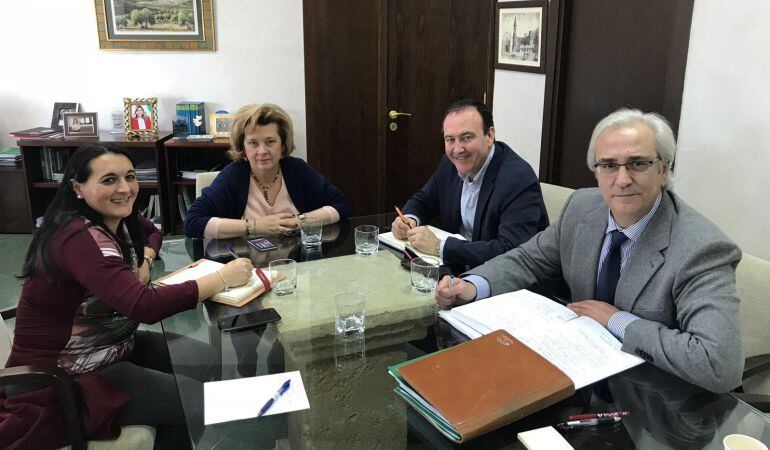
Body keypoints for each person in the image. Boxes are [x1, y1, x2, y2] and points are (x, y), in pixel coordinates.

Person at [436, 108, 744, 393]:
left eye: (638, 163)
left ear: (663, 170)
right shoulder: (582, 207)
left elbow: (719, 364)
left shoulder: (701, 248)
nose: (622, 179)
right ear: (595, 171)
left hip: (657, 403)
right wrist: (473, 285)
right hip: (577, 374)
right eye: (608, 165)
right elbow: (528, 259)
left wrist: (617, 321)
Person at [0, 144, 254, 449]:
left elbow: (153, 231)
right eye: (109, 180)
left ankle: (172, 424)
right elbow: (143, 306)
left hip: (111, 346)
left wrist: (145, 259)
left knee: (205, 360)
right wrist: (222, 278)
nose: (125, 188)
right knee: (195, 404)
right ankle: (176, 417)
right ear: (78, 188)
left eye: (130, 177)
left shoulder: (113, 218)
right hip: (65, 377)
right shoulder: (77, 237)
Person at [391, 99, 548, 269]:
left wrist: (439, 247)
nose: (457, 149)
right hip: (458, 270)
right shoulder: (450, 163)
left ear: (489, 135)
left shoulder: (517, 179)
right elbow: (424, 200)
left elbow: (511, 251)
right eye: (450, 139)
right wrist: (409, 220)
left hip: (505, 280)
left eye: (466, 137)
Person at [184, 103, 350, 239]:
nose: (262, 151)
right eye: (253, 143)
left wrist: (301, 221)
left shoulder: (297, 169)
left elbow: (340, 205)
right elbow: (192, 223)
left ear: (283, 144)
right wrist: (255, 226)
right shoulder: (233, 176)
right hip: (246, 268)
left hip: (296, 264)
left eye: (270, 141)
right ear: (243, 147)